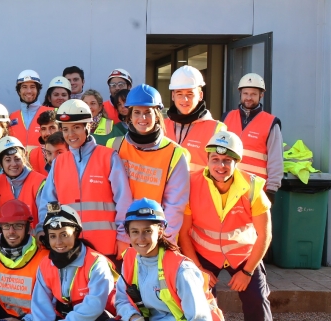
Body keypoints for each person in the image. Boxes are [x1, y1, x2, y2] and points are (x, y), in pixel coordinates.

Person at [178, 131, 272, 321]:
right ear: (207, 160)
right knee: (199, 303)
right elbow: (184, 233)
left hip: (243, 255)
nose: (220, 166)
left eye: (227, 160)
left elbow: (264, 235)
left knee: (258, 300)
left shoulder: (253, 187)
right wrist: (197, 269)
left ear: (236, 162)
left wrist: (247, 272)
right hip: (202, 254)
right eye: (215, 159)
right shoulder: (191, 183)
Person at [37, 99, 133, 264]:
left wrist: (123, 237)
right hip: (70, 247)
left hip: (105, 247)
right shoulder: (59, 162)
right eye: (65, 129)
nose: (71, 134)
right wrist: (43, 229)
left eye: (76, 127)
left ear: (87, 127)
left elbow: (123, 201)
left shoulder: (108, 157)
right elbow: (49, 202)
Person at [107, 84, 190, 244]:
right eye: (137, 112)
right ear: (129, 116)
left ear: (157, 115)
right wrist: (121, 237)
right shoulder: (114, 146)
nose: (142, 118)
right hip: (121, 237)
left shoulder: (175, 153)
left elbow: (175, 206)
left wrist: (163, 242)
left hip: (154, 239)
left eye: (148, 113)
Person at [117, 198, 221, 321]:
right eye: (135, 232)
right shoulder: (130, 259)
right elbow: (121, 299)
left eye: (147, 231)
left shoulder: (182, 270)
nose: (141, 238)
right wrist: (134, 317)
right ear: (128, 233)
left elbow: (200, 318)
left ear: (160, 231)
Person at [31, 204, 116, 321]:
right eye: (52, 236)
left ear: (76, 233)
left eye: (64, 235)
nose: (58, 242)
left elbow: (94, 306)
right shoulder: (45, 264)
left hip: (100, 316)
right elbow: (40, 306)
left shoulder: (96, 262)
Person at [222, 73, 283, 200]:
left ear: (261, 95)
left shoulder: (271, 123)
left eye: (254, 94)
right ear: (240, 93)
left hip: (256, 191)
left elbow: (276, 159)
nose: (249, 97)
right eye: (245, 93)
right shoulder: (226, 118)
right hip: (227, 187)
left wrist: (271, 190)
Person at [164, 65, 226, 172]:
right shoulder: (162, 126)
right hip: (168, 189)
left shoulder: (216, 130)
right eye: (179, 94)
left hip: (200, 189)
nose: (185, 99)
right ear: (173, 96)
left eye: (190, 94)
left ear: (200, 95)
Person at [0, 136, 46, 229]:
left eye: (17, 159)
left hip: (35, 240)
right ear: (0, 164)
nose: (14, 164)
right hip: (8, 241)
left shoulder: (40, 182)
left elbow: (45, 216)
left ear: (24, 158)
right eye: (8, 160)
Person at [9, 70, 52, 148]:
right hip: (18, 160)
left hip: (43, 160)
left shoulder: (51, 113)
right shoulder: (12, 117)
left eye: (32, 87)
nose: (29, 91)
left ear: (38, 90)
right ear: (19, 91)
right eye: (24, 87)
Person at [27, 110, 61, 175]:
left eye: (52, 128)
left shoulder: (70, 151)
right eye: (43, 129)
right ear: (40, 131)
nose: (48, 133)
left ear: (60, 129)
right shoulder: (32, 155)